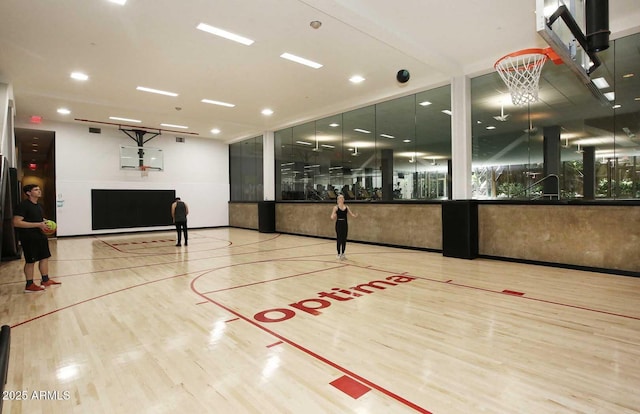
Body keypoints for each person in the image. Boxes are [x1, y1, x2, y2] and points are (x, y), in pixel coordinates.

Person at [13, 184, 61, 292]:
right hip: (29, 238)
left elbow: (36, 219)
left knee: (44, 258)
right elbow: (16, 222)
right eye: (36, 190)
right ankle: (29, 285)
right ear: (28, 193)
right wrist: (38, 224)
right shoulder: (23, 206)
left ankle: (45, 280)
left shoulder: (38, 205)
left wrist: (45, 222)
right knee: (30, 261)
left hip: (40, 236)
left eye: (39, 189)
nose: (39, 191)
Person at [330, 194, 358, 260]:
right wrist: (333, 216)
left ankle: (343, 253)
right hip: (339, 224)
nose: (342, 199)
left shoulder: (346, 207)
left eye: (343, 198)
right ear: (338, 200)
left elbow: (352, 214)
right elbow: (332, 216)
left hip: (345, 223)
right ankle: (338, 253)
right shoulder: (336, 207)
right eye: (340, 198)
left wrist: (355, 216)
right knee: (339, 238)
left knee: (344, 238)